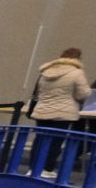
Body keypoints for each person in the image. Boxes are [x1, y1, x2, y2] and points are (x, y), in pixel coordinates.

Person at [30, 47, 90, 177]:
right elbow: (83, 94)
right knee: (56, 141)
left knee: (39, 140)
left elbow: (39, 91)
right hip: (63, 112)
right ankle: (47, 169)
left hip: (43, 110)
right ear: (78, 59)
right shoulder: (77, 72)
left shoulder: (46, 71)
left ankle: (33, 167)